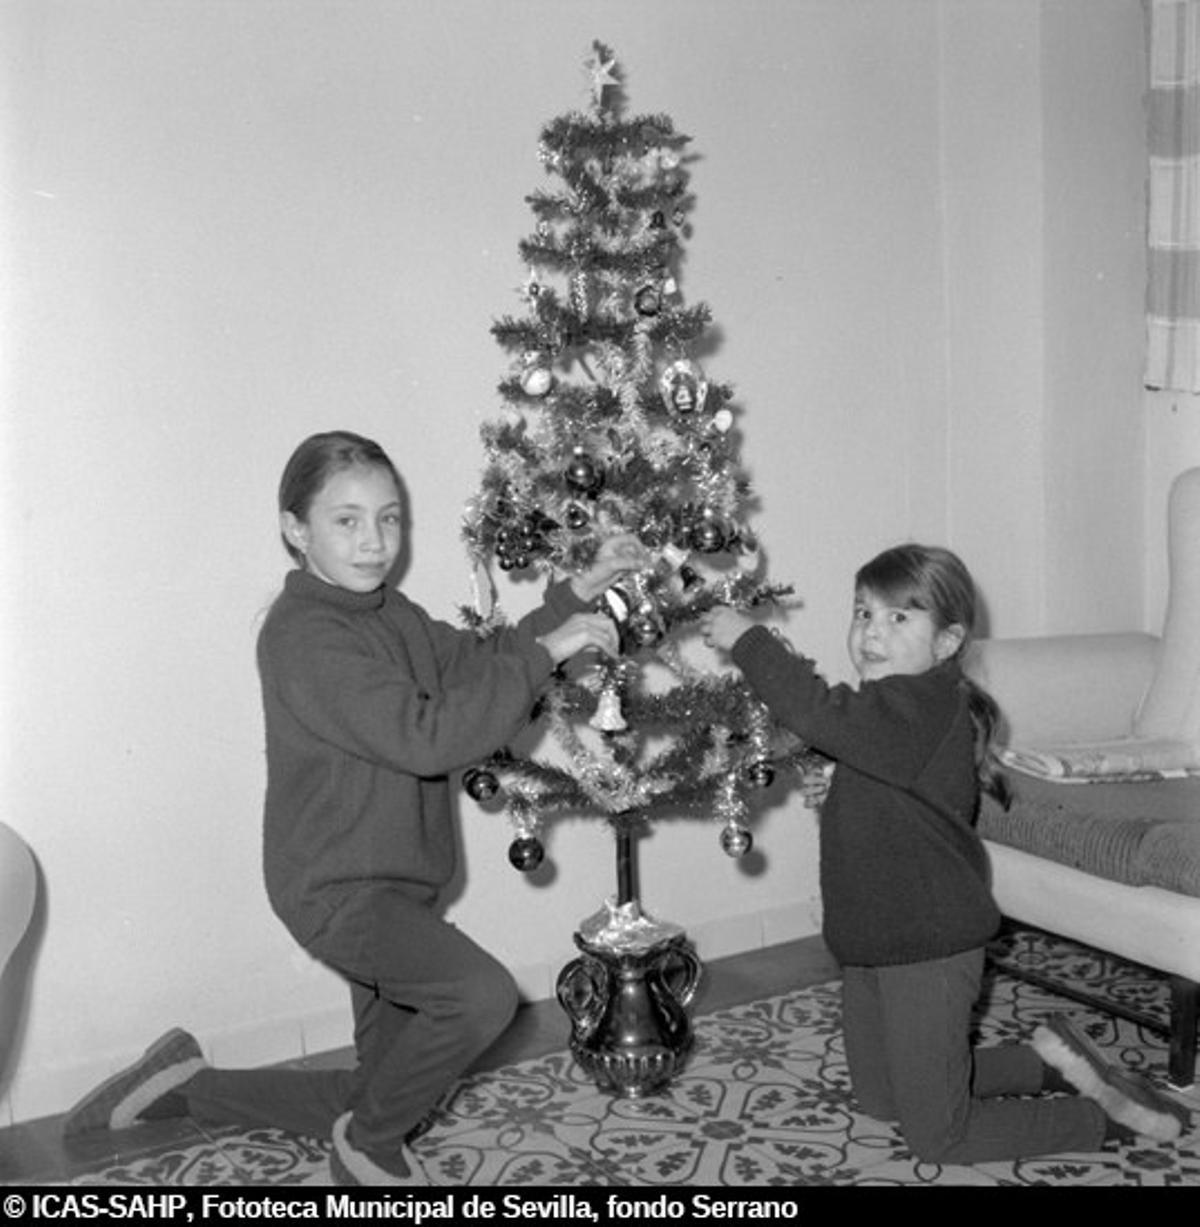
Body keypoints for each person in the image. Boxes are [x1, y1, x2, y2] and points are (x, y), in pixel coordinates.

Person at [63, 430, 645, 1185]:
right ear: (295, 529)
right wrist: (550, 650)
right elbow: (427, 736)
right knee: (478, 997)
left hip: (399, 882)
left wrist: (574, 596)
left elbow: (477, 662)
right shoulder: (304, 635)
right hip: (338, 889)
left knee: (388, 1089)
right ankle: (364, 1149)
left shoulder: (388, 612)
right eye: (347, 520)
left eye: (390, 518)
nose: (375, 541)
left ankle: (184, 1085)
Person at [700, 543, 1190, 1164]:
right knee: (882, 1099)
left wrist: (752, 642)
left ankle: (1110, 1117)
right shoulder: (899, 706)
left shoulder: (922, 702)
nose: (871, 633)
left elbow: (819, 712)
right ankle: (1042, 1060)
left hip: (929, 947)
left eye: (898, 618)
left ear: (948, 640)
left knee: (941, 1137)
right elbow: (882, 770)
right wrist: (846, 785)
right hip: (873, 943)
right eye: (863, 614)